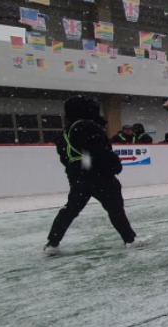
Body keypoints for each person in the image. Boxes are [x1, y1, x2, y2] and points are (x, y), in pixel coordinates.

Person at [44, 95, 150, 254]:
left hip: (78, 176)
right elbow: (100, 151)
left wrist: (77, 172)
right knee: (115, 208)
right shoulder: (87, 127)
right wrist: (114, 166)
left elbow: (66, 158)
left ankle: (52, 243)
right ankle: (130, 239)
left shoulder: (65, 133)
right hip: (98, 175)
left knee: (70, 209)